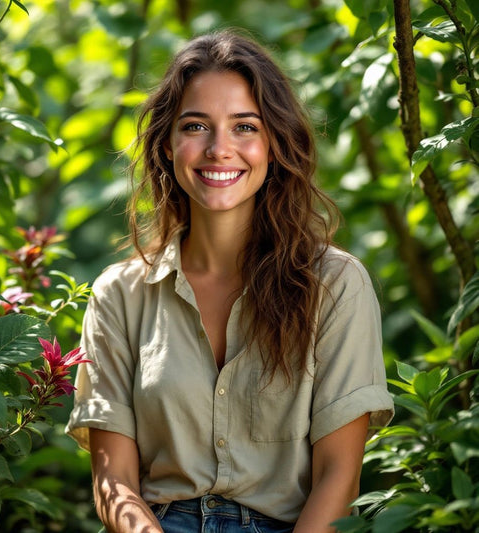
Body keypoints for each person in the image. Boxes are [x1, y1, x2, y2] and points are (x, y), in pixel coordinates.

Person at [65, 29, 394, 533]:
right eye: (196, 125)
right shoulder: (120, 295)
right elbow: (115, 486)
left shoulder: (335, 284)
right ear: (167, 146)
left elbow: (339, 478)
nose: (219, 149)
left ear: (275, 143)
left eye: (245, 127)